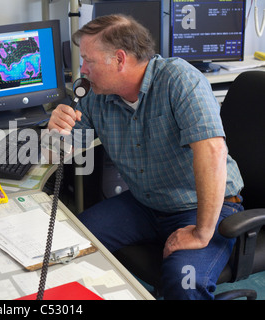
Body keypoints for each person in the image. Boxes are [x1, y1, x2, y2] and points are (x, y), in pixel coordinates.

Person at [48, 14, 244, 300]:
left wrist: (202, 233)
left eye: (88, 60)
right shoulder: (95, 95)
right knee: (68, 242)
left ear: (119, 59)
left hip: (204, 205)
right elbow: (57, 152)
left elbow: (212, 152)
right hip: (146, 203)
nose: (83, 69)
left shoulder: (179, 79)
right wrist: (55, 130)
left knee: (184, 281)